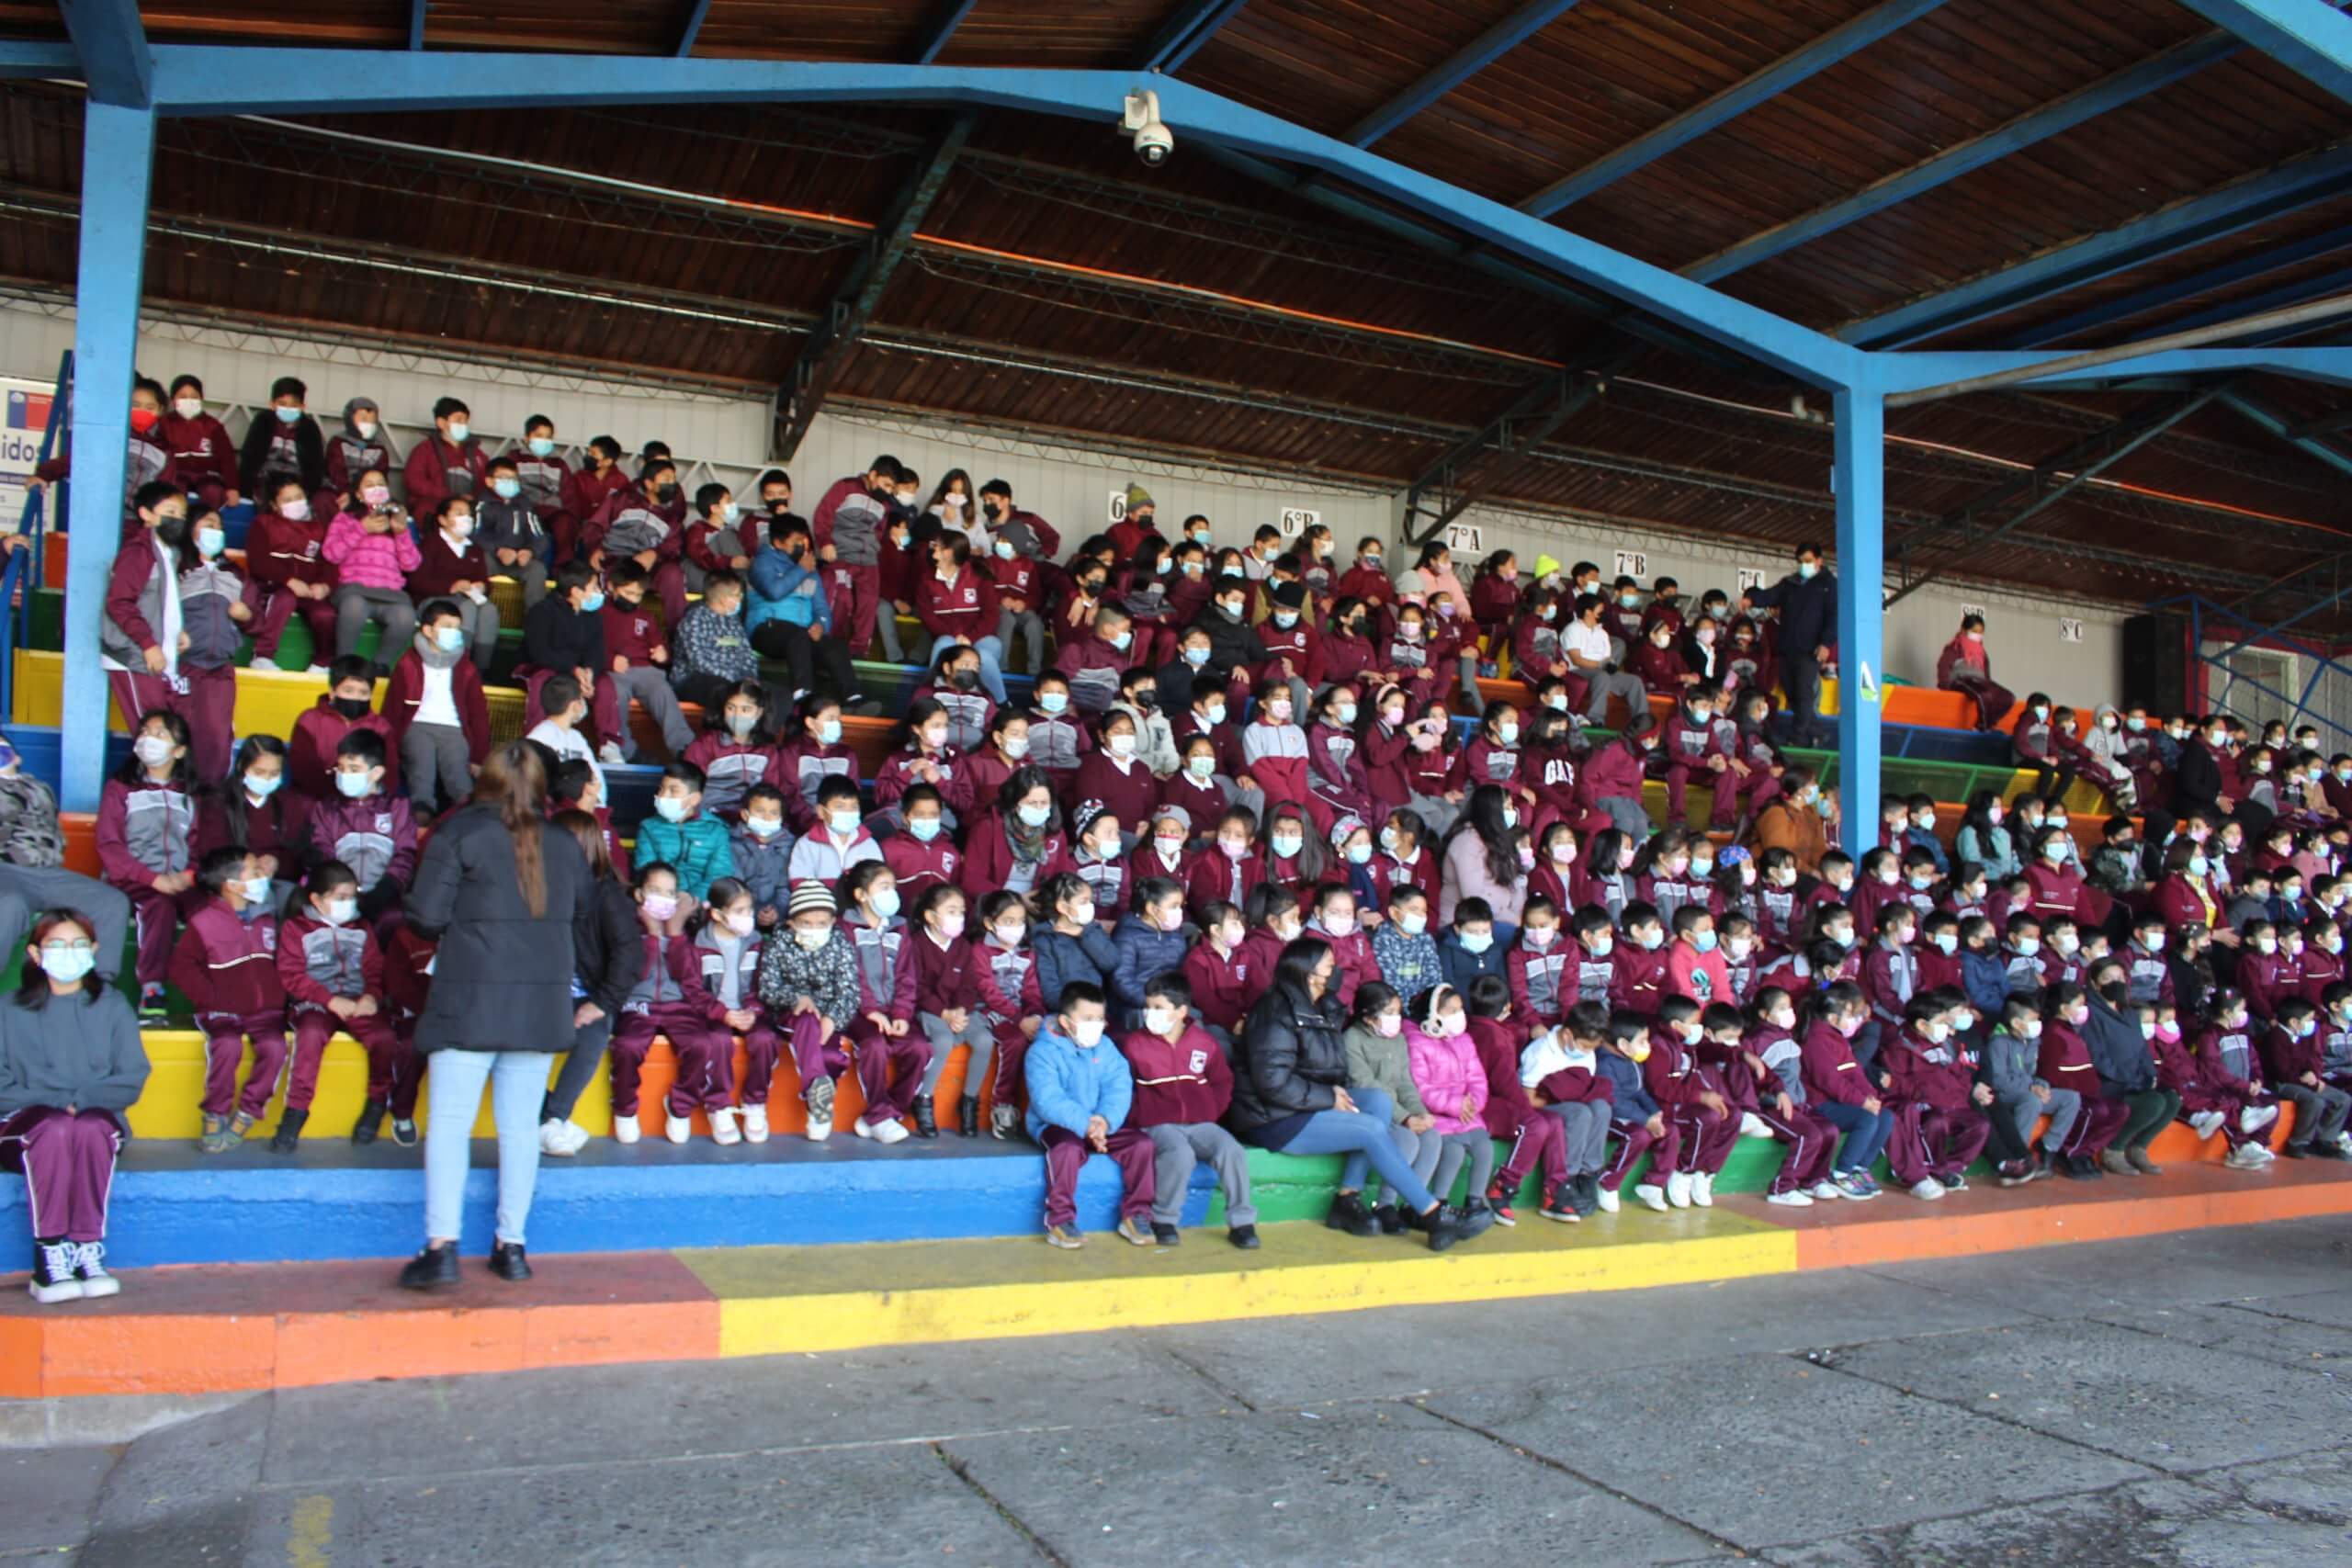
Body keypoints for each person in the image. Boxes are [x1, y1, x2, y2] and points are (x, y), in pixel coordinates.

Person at [397, 741, 588, 1290]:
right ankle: (513, 1247)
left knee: (451, 1125)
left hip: (469, 998)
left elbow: (426, 917)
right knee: (520, 1130)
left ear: (485, 780)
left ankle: (441, 1248)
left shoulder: (458, 833)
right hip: (539, 1002)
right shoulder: (564, 843)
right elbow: (577, 914)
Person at [1228, 937, 1487, 1250]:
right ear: (1310, 973)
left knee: (1375, 1101)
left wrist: (1330, 1093)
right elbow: (1272, 1082)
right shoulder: (1275, 1011)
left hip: (1304, 1104)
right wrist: (1327, 1097)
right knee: (1371, 1128)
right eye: (1328, 965)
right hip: (1274, 1118)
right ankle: (1432, 1214)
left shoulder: (1321, 1007)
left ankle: (1347, 1199)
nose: (1335, 970)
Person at [0, 910, 149, 1303]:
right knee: (56, 1127)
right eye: (57, 945)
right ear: (35, 952)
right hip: (24, 1127)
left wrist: (79, 1102)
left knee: (87, 1127)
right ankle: (49, 1253)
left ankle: (86, 1248)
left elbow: (131, 1077)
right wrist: (57, 1102)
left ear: (95, 950)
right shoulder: (8, 1009)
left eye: (79, 944)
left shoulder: (113, 1006)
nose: (70, 953)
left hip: (94, 1122)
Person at [1121, 973, 1259, 1247]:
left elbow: (1222, 1081)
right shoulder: (1134, 1044)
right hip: (1157, 1123)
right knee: (1180, 1153)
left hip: (1201, 1123)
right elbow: (1123, 1088)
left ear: (1181, 1011)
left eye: (1159, 1008)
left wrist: (1211, 1111)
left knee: (1231, 1150)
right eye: (1148, 1007)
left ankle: (1242, 1223)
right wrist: (1139, 1115)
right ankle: (1164, 1219)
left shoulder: (1205, 1043)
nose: (1150, 1014)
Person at [537, 809, 643, 1157]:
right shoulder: (536, 891)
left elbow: (629, 955)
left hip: (588, 996)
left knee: (593, 1034)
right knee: (503, 1040)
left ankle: (553, 1118)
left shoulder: (606, 896)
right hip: (540, 996)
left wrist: (600, 1003)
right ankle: (548, 1123)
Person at [1024, 981, 1157, 1249]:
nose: (1095, 1024)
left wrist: (1105, 1121)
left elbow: (1118, 1087)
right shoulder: (1042, 1052)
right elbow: (1048, 1100)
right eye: (1087, 1019)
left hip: (1101, 1123)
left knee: (1142, 1145)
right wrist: (1086, 1124)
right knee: (1066, 1149)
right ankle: (1060, 1221)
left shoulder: (1106, 1048)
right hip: (1057, 1123)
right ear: (1065, 1020)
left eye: (1099, 1018)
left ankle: (1136, 1215)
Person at [0, 740, 131, 985]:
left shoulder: (40, 788)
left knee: (112, 902)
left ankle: (99, 987)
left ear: (17, 758)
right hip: (6, 870)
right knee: (10, 905)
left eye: (3, 749)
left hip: (49, 873)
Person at [1741, 543, 1836, 746]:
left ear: (1820, 561)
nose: (1804, 566)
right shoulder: (1789, 584)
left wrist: (1826, 643)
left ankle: (1797, 737)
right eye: (1800, 562)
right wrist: (1751, 598)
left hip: (1810, 649)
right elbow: (1769, 595)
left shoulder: (1829, 585)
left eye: (1808, 561)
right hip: (1787, 648)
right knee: (1792, 693)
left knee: (1803, 692)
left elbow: (1834, 617)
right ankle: (1817, 732)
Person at [322, 475, 423, 664]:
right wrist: (362, 528)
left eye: (381, 484)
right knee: (353, 608)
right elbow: (331, 553)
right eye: (369, 485)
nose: (376, 488)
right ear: (359, 494)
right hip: (354, 590)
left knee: (406, 617)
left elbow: (411, 564)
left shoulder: (399, 521)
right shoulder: (346, 518)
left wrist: (401, 533)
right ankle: (344, 663)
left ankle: (380, 666)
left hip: (391, 594)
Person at [1936, 615, 2015, 732]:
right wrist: (1946, 687)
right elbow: (1943, 666)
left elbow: (1986, 673)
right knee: (1983, 695)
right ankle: (1981, 727)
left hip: (1980, 681)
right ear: (1964, 630)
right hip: (1962, 680)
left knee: (2007, 697)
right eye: (1974, 631)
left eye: (1980, 632)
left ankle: (1989, 723)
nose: (1977, 635)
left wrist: (1990, 687)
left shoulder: (1982, 652)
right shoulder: (1955, 647)